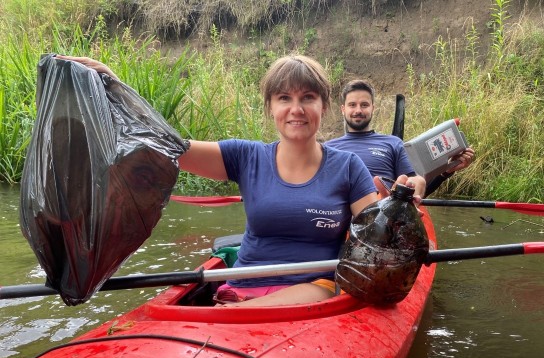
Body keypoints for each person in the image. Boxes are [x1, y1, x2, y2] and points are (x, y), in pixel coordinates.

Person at [56, 55, 396, 308]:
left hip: (314, 290)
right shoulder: (245, 156)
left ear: (323, 106)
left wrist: (395, 209)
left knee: (323, 286)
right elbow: (167, 146)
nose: (297, 109)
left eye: (308, 97)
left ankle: (241, 310)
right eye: (284, 98)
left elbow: (377, 242)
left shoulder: (349, 167)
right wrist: (113, 86)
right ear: (270, 108)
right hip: (239, 288)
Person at [325, 79, 475, 197]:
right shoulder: (327, 148)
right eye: (352, 105)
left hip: (385, 213)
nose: (358, 110)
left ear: (373, 108)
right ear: (343, 110)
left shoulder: (392, 143)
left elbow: (415, 187)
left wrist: (447, 171)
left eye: (364, 105)